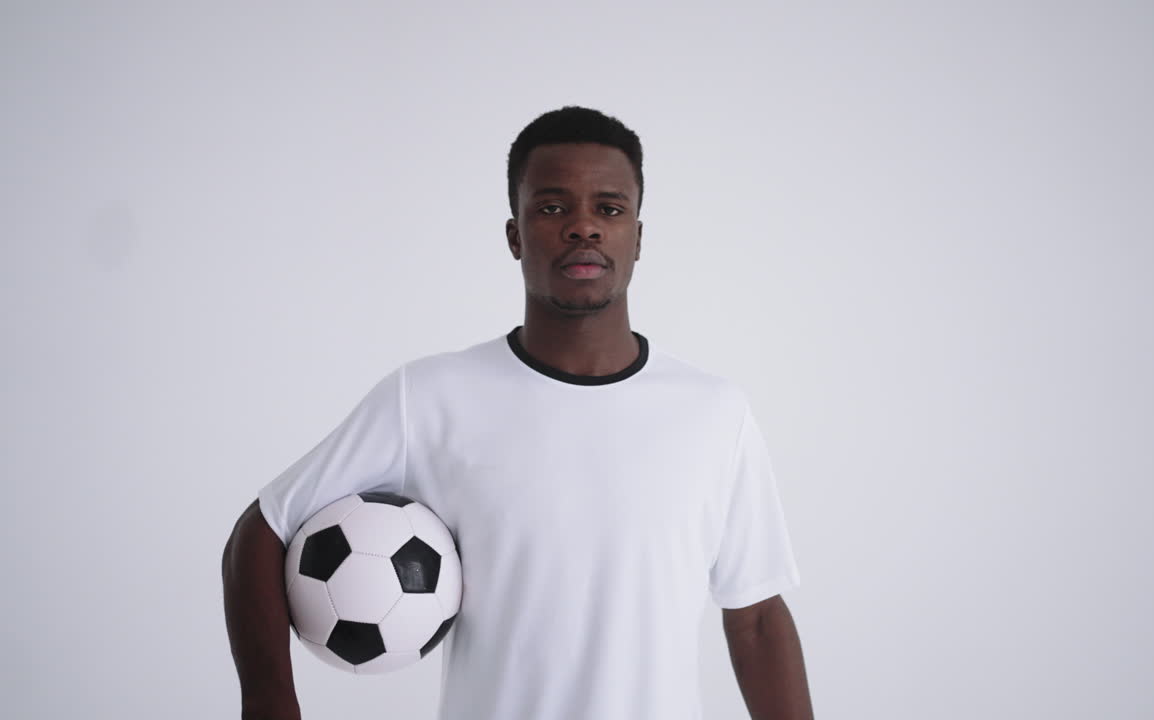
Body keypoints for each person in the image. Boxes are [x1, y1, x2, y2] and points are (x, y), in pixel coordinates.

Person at [222, 105, 813, 720]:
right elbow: (261, 531)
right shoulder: (430, 397)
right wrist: (270, 700)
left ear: (638, 236)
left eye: (609, 209)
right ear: (515, 234)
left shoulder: (715, 414)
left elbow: (759, 619)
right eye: (553, 208)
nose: (583, 227)